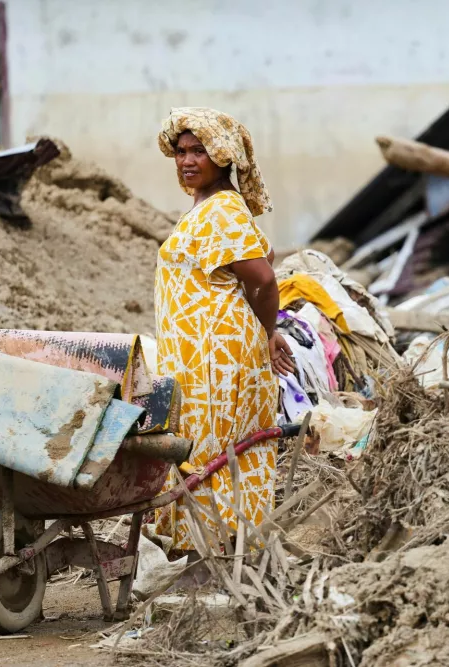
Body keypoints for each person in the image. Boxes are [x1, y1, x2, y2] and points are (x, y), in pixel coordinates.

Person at [154, 107, 295, 552]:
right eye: (181, 151)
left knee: (214, 452)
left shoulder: (222, 209)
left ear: (224, 156)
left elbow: (264, 277)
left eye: (201, 151)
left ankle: (221, 552)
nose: (188, 160)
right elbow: (265, 254)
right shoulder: (209, 209)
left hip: (220, 362)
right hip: (200, 360)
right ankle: (207, 549)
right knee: (201, 450)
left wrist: (266, 331)